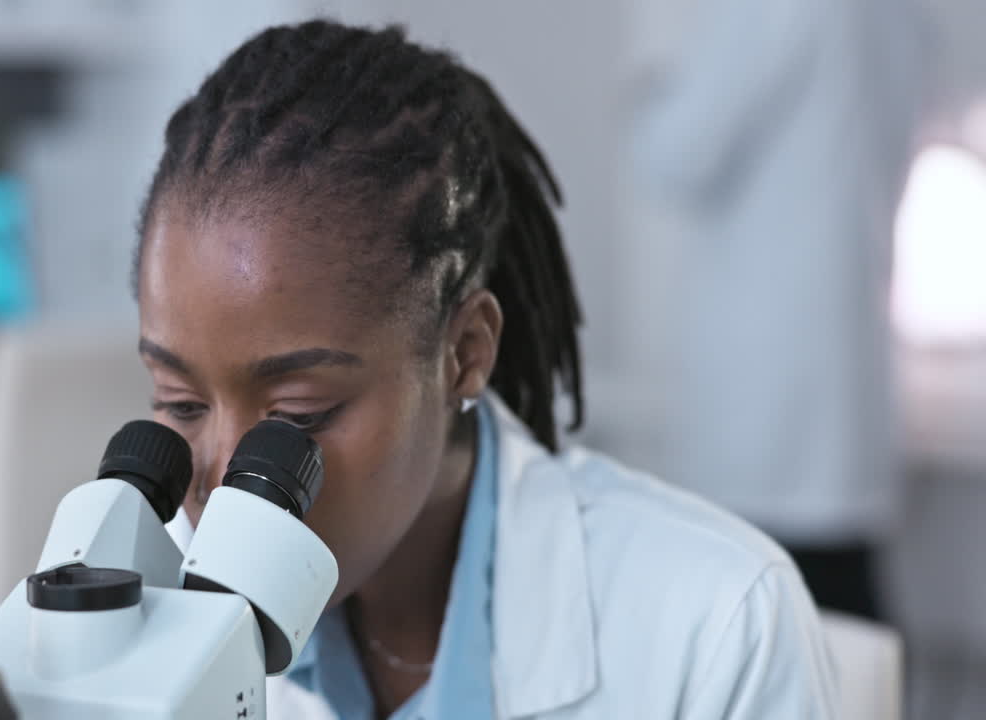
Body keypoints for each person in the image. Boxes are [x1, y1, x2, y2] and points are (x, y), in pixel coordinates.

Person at [135, 20, 836, 719]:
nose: (225, 483)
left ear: (465, 352)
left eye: (296, 416)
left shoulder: (717, 624)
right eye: (181, 403)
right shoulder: (141, 608)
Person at [620, 0, 926, 619]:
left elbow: (678, 153)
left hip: (772, 387)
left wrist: (645, 97)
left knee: (768, 620)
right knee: (847, 620)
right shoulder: (905, 15)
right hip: (853, 374)